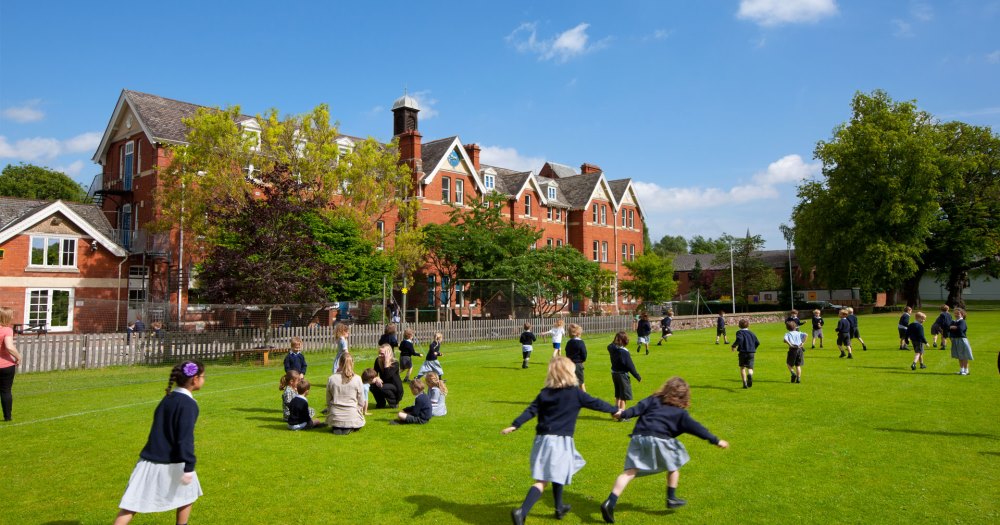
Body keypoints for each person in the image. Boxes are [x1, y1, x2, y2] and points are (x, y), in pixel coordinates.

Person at [501, 357, 620, 525]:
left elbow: (531, 410)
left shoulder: (544, 393)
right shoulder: (575, 393)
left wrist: (515, 425)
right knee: (543, 481)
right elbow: (596, 403)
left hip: (541, 441)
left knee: (557, 473)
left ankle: (559, 508)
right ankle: (522, 511)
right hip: (560, 443)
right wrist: (615, 410)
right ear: (569, 373)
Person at [600, 376, 729, 522]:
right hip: (660, 439)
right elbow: (697, 428)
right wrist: (716, 440)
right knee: (674, 465)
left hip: (638, 437)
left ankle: (610, 502)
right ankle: (671, 498)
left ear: (666, 389)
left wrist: (622, 414)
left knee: (629, 472)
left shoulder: (653, 399)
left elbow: (637, 409)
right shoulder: (681, 414)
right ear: (684, 396)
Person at [113, 360, 205, 525]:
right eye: (203, 377)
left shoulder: (168, 398)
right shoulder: (189, 404)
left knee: (131, 504)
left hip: (149, 458)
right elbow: (185, 437)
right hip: (174, 461)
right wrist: (189, 466)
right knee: (187, 497)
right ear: (195, 379)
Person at [326, 352, 366, 434]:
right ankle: (348, 425)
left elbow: (328, 399)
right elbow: (361, 401)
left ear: (339, 363)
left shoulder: (332, 378)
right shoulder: (357, 379)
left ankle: (338, 425)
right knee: (357, 419)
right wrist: (357, 409)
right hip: (351, 414)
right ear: (352, 363)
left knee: (338, 419)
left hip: (335, 415)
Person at [0, 306, 23, 422]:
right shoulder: (7, 330)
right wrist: (18, 357)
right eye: (11, 315)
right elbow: (9, 347)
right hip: (5, 365)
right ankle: (7, 417)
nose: (13, 317)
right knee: (5, 391)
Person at [608, 331, 642, 411]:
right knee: (623, 396)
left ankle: (615, 411)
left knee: (618, 394)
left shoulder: (612, 349)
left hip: (614, 374)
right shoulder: (624, 353)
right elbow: (630, 366)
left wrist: (615, 341)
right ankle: (622, 414)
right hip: (622, 375)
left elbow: (610, 345)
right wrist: (637, 376)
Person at [370, 344, 404, 409]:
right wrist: (377, 378)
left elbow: (386, 377)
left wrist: (386, 363)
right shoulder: (378, 360)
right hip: (385, 385)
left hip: (396, 389)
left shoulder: (395, 363)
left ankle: (394, 403)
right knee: (372, 385)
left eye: (382, 354)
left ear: (388, 353)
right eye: (379, 353)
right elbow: (374, 373)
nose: (379, 355)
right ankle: (381, 403)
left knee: (382, 387)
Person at [731, 319, 760, 389]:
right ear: (748, 325)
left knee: (742, 367)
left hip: (743, 352)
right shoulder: (752, 333)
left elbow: (740, 339)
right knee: (750, 367)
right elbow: (758, 342)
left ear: (739, 325)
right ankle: (750, 374)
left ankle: (745, 383)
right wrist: (753, 349)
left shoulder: (739, 332)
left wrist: (734, 346)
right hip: (751, 352)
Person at [948, 308, 973, 376]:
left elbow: (960, 329)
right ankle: (961, 370)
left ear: (962, 314)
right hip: (955, 340)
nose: (956, 315)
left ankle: (966, 370)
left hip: (961, 340)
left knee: (964, 356)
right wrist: (953, 327)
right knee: (959, 356)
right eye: (955, 313)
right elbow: (949, 329)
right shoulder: (954, 322)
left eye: (958, 313)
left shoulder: (962, 321)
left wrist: (953, 327)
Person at [564, 323, 588, 392]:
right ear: (578, 333)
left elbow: (567, 351)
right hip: (578, 364)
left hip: (569, 364)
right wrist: (582, 360)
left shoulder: (569, 342)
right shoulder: (581, 342)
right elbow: (584, 353)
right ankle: (585, 400)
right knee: (581, 383)